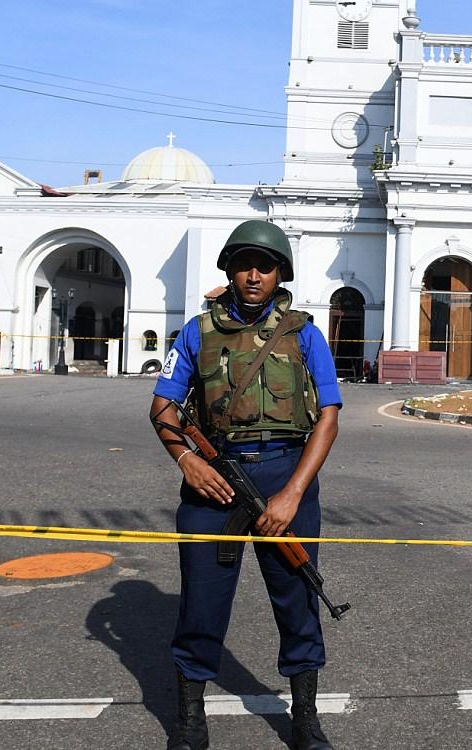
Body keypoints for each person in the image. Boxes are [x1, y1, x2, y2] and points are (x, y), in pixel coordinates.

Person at [149, 219, 342, 750]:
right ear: (229, 270)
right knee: (201, 605)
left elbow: (328, 415)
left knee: (298, 600)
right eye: (243, 264)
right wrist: (187, 460)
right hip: (214, 481)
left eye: (265, 265)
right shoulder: (196, 330)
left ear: (281, 273)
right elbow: (162, 407)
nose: (253, 275)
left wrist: (293, 493)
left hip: (285, 473)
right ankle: (190, 720)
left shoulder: (304, 332)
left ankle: (305, 718)